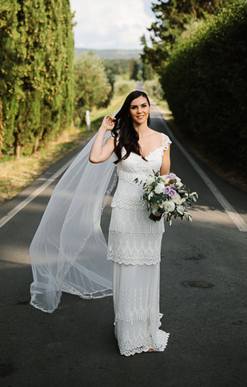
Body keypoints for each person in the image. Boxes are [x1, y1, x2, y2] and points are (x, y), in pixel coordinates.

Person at [28, 90, 172, 356]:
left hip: (150, 218)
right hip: (125, 215)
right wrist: (103, 130)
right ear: (128, 111)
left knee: (148, 271)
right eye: (133, 107)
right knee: (127, 272)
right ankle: (128, 334)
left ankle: (148, 332)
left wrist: (169, 203)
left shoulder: (163, 140)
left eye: (143, 106)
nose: (139, 111)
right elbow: (95, 157)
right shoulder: (120, 137)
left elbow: (166, 179)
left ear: (149, 107)